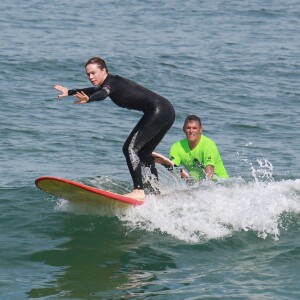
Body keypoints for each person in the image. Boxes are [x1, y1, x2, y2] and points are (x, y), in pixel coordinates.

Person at [54, 57, 175, 201]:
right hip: (166, 111)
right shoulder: (111, 82)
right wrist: (70, 92)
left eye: (93, 73)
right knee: (143, 153)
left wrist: (89, 99)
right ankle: (155, 191)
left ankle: (138, 190)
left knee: (130, 148)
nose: (91, 77)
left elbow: (102, 93)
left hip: (159, 111)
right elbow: (95, 90)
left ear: (104, 70)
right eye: (88, 74)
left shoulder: (111, 84)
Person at [169, 115, 229, 180]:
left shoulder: (208, 145)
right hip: (197, 184)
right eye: (188, 128)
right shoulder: (176, 147)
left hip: (221, 185)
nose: (191, 131)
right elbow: (172, 168)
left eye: (194, 128)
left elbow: (209, 172)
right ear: (184, 129)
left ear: (200, 130)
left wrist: (203, 188)